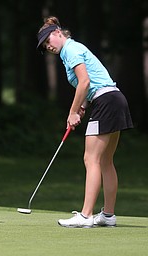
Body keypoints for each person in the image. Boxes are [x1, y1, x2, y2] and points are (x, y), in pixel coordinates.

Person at [36, 16, 133, 228]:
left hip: (106, 102)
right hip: (113, 99)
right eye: (45, 45)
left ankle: (86, 215)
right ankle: (107, 215)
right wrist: (82, 106)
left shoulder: (70, 49)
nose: (48, 46)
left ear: (58, 32)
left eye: (49, 40)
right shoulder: (70, 51)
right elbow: (90, 85)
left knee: (91, 159)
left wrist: (72, 112)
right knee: (105, 160)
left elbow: (85, 81)